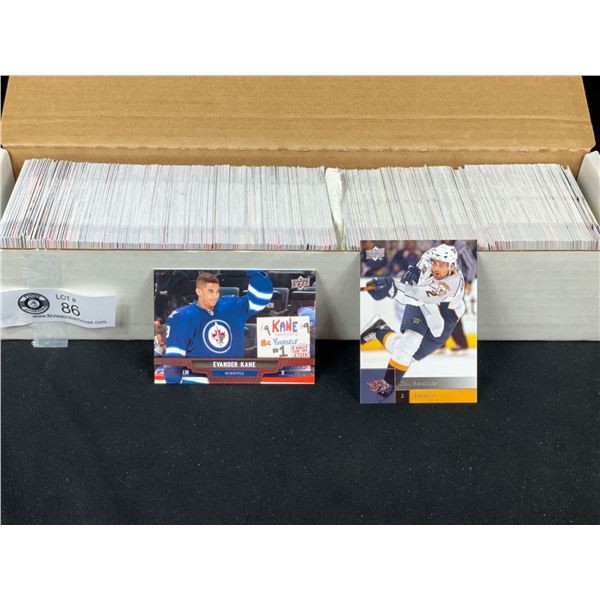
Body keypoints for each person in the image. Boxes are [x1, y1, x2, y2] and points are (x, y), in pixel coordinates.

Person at [361, 244, 465, 399]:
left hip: (443, 318)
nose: (436, 268)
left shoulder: (450, 284)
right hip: (420, 305)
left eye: (441, 265)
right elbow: (428, 255)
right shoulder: (433, 257)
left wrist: (391, 288)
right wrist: (416, 268)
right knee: (408, 344)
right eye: (435, 263)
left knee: (405, 354)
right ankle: (385, 387)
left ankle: (379, 329)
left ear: (451, 267)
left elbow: (420, 295)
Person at [163, 270, 273, 383]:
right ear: (198, 291)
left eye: (217, 291)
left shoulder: (232, 307)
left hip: (233, 382)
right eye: (210, 291)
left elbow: (261, 299)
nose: (215, 296)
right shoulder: (181, 317)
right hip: (197, 385)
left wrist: (256, 273)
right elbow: (174, 361)